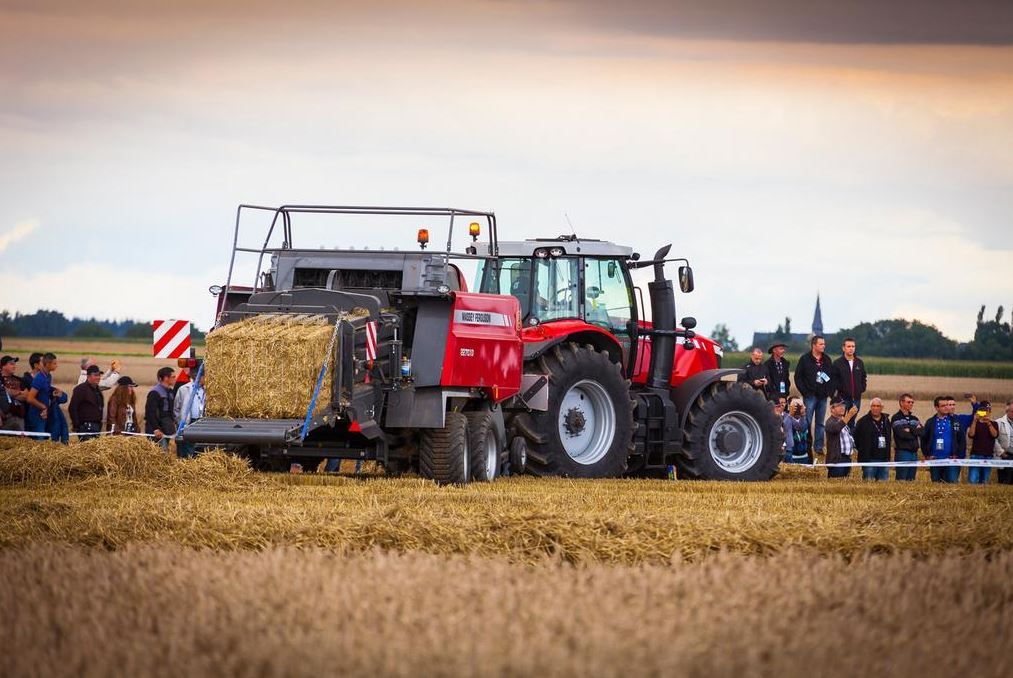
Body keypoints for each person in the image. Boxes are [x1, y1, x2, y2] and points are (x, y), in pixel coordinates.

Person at [794, 335, 836, 455]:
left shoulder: (827, 359)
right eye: (821, 344)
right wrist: (805, 392)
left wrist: (829, 392)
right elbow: (798, 377)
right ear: (814, 345)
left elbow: (830, 378)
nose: (824, 346)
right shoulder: (804, 359)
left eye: (824, 344)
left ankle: (818, 447)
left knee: (820, 424)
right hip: (809, 396)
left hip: (823, 397)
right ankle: (806, 446)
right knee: (806, 421)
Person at [921, 395, 966, 483]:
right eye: (943, 406)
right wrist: (927, 455)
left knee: (951, 483)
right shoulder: (930, 422)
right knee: (936, 484)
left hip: (951, 460)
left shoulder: (955, 421)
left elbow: (962, 440)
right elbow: (924, 439)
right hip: (935, 459)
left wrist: (958, 455)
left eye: (947, 405)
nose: (946, 407)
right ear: (936, 407)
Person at [25, 352, 63, 439]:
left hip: (44, 413)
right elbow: (30, 398)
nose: (57, 365)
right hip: (36, 414)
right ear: (48, 364)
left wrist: (53, 392)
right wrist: (43, 407)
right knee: (39, 441)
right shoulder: (39, 378)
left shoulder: (48, 376)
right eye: (54, 363)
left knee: (45, 439)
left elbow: (45, 391)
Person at [832, 337, 867, 431]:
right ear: (843, 348)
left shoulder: (859, 362)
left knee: (852, 421)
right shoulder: (837, 363)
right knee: (841, 420)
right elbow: (834, 380)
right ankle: (840, 443)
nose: (851, 348)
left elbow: (864, 377)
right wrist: (841, 389)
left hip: (856, 398)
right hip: (843, 398)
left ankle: (850, 443)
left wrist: (862, 388)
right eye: (848, 346)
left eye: (853, 346)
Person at [854, 397, 891, 481]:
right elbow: (855, 438)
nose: (875, 408)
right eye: (873, 406)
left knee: (883, 485)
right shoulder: (862, 421)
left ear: (882, 408)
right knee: (868, 484)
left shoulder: (886, 420)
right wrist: (863, 449)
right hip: (869, 459)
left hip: (884, 459)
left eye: (878, 406)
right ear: (870, 407)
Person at [173, 367, 205, 458]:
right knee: (186, 448)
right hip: (189, 422)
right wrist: (180, 422)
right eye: (205, 377)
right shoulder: (184, 389)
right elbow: (176, 408)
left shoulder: (207, 390)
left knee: (200, 449)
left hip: (202, 422)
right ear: (199, 377)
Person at [891, 393, 923, 481]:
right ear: (901, 403)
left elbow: (922, 432)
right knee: (901, 479)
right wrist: (915, 430)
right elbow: (902, 434)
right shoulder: (896, 418)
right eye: (908, 402)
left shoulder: (914, 418)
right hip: (902, 452)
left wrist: (909, 429)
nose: (911, 404)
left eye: (912, 402)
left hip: (914, 453)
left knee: (911, 480)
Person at [966, 400, 999, 485]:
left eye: (987, 410)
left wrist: (988, 423)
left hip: (988, 456)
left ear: (990, 411)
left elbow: (995, 435)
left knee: (985, 481)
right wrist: (974, 421)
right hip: (975, 455)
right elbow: (971, 435)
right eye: (982, 411)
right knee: (972, 480)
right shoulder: (975, 423)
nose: (985, 413)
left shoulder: (994, 423)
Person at [824, 398, 859, 478]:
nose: (842, 407)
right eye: (839, 406)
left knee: (844, 485)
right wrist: (849, 415)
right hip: (837, 460)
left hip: (846, 459)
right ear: (832, 409)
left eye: (843, 405)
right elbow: (836, 428)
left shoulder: (843, 422)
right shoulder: (830, 422)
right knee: (835, 484)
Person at [69, 365, 105, 441]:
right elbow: (72, 407)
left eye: (99, 375)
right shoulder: (81, 389)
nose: (98, 377)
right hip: (85, 427)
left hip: (96, 426)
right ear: (88, 376)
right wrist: (77, 425)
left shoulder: (97, 390)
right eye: (95, 375)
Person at [145, 367, 176, 449]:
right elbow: (150, 412)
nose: (175, 379)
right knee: (160, 453)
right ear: (166, 378)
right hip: (157, 431)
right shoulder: (155, 393)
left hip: (166, 429)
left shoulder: (170, 392)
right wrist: (156, 429)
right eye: (173, 377)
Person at [1, 355, 27, 431]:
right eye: (11, 364)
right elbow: (3, 392)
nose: (14, 366)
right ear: (3, 366)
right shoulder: (1, 380)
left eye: (14, 364)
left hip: (19, 416)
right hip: (5, 417)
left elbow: (26, 396)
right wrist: (19, 393)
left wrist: (8, 393)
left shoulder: (19, 380)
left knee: (20, 441)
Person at [787, 398, 811, 463]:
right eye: (802, 406)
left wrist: (803, 415)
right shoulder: (787, 419)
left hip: (804, 455)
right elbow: (787, 425)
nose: (805, 408)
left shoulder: (805, 419)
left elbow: (802, 427)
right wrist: (790, 415)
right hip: (792, 456)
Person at [995, 400, 1013, 485]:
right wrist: (1001, 453)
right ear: (1007, 411)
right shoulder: (999, 422)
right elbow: (994, 440)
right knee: (1005, 481)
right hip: (1005, 456)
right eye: (1012, 411)